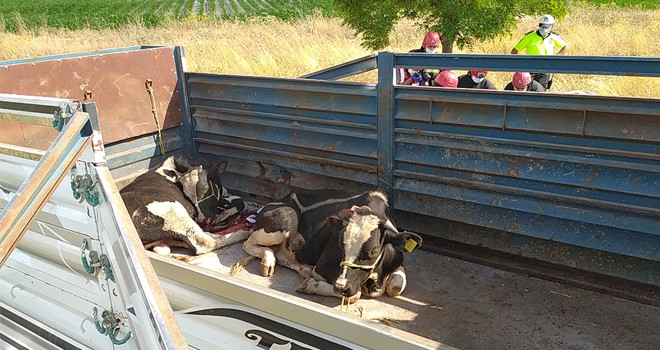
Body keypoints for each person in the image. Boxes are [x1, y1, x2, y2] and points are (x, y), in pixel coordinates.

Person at [511, 14, 568, 89]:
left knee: (542, 94)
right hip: (530, 72)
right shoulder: (529, 36)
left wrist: (556, 57)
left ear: (552, 26)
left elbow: (565, 47)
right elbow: (514, 51)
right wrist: (523, 64)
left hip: (545, 72)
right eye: (542, 26)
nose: (544, 29)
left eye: (546, 27)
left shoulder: (554, 37)